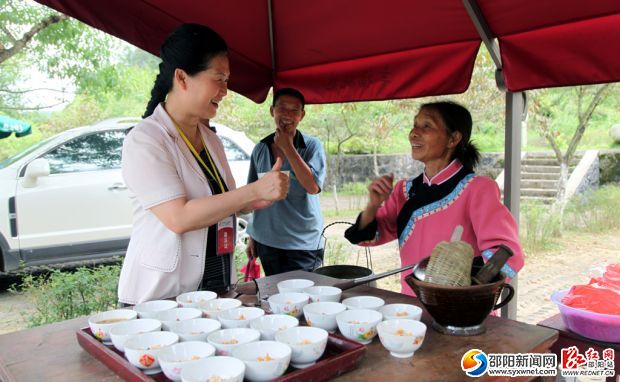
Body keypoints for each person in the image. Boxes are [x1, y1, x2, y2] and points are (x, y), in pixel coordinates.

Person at [118, 24, 289, 305]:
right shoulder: (146, 140)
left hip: (213, 290)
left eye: (227, 80)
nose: (225, 91)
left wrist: (257, 200)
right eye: (219, 78)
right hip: (159, 298)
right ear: (182, 78)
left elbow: (223, 201)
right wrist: (254, 192)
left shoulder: (211, 140)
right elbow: (180, 217)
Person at [344, 101, 524, 295]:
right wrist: (373, 205)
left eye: (426, 126)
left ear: (453, 139)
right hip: (412, 305)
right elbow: (368, 237)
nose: (414, 133)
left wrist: (472, 287)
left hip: (462, 309)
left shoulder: (478, 188)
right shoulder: (403, 190)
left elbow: (506, 253)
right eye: (415, 125)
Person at [245, 88, 327, 276]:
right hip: (268, 241)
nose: (288, 115)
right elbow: (253, 195)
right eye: (282, 108)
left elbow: (313, 187)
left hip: (303, 243)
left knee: (304, 298)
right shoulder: (260, 148)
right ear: (272, 111)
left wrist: (288, 147)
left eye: (294, 110)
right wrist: (253, 236)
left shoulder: (312, 146)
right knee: (275, 299)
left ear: (302, 115)